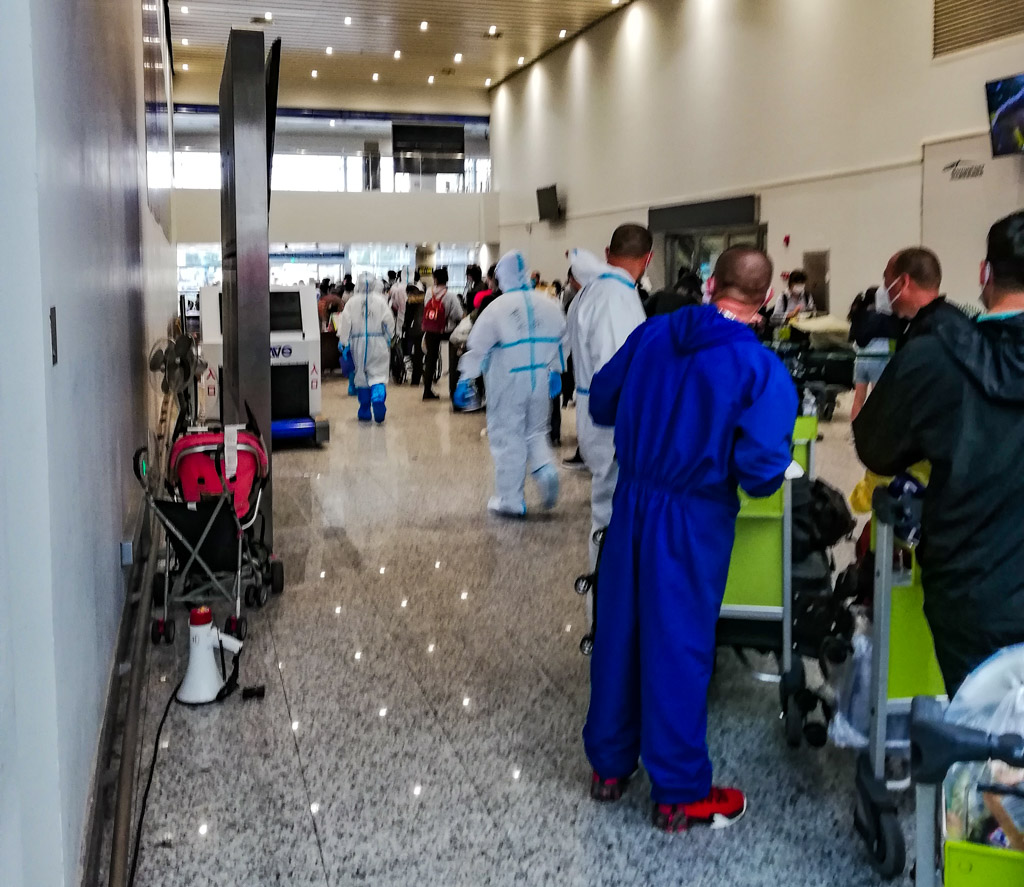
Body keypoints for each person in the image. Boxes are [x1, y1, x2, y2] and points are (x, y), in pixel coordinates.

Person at [583, 246, 797, 832]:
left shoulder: (652, 334)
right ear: (766, 299)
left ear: (710, 285)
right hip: (692, 518)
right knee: (677, 647)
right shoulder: (759, 369)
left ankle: (608, 767)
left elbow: (602, 400)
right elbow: (760, 472)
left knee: (619, 633)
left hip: (631, 503)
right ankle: (678, 793)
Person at [854, 212, 1024, 696]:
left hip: (972, 587)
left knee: (977, 719)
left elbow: (876, 447)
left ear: (985, 273)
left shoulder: (933, 355)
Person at [454, 251, 566, 516]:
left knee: (508, 437)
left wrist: (465, 378)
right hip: (539, 379)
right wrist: (556, 371)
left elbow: (477, 347)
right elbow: (562, 341)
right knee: (536, 432)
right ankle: (545, 469)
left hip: (507, 381)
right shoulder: (549, 304)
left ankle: (510, 500)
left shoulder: (497, 308)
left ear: (502, 277)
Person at [565, 226, 649, 568]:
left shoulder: (594, 290)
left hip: (596, 412)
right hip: (612, 421)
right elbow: (617, 370)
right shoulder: (615, 297)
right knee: (613, 514)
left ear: (607, 252)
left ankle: (607, 591)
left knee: (611, 508)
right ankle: (605, 597)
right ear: (648, 259)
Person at [335, 274, 396, 424]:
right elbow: (389, 322)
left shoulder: (351, 302)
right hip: (378, 342)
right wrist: (389, 337)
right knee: (378, 375)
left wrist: (344, 342)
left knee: (361, 376)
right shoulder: (381, 302)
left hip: (358, 344)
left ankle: (364, 410)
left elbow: (345, 324)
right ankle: (378, 398)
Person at [847, 286, 901, 421]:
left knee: (858, 399)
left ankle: (855, 430)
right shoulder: (884, 317)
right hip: (879, 360)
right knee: (878, 400)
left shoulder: (858, 315)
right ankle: (875, 431)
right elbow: (897, 333)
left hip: (860, 361)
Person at [421, 267, 463, 401]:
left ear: (435, 279)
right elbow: (457, 314)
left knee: (430, 360)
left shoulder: (429, 293)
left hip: (430, 330)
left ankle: (427, 391)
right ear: (447, 280)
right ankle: (453, 390)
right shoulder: (450, 295)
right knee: (453, 359)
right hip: (447, 331)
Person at [404, 282, 426, 386]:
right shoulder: (424, 298)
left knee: (414, 355)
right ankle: (422, 375)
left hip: (415, 330)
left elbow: (408, 318)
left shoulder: (410, 301)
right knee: (420, 354)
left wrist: (405, 329)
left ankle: (415, 380)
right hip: (426, 329)